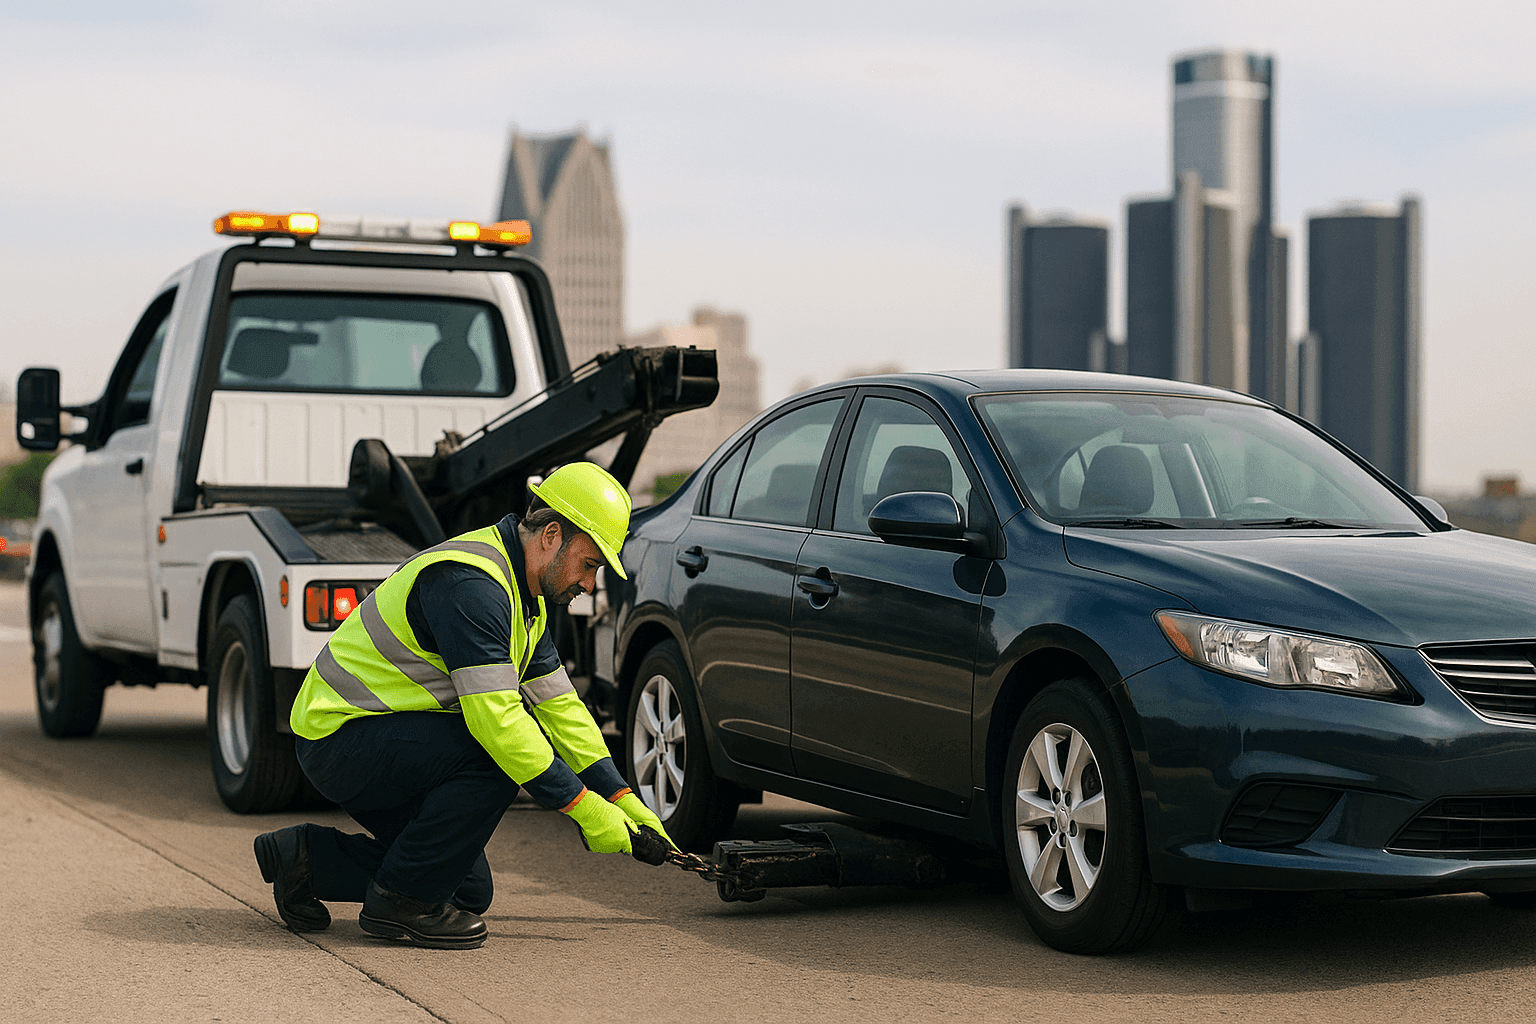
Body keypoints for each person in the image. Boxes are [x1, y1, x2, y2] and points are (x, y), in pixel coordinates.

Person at [253, 462, 672, 950]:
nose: (589, 585)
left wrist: (621, 798)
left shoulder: (524, 597)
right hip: (339, 736)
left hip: (380, 739)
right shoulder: (472, 586)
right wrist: (583, 808)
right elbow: (499, 725)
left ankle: (301, 859)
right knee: (495, 755)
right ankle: (398, 905)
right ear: (551, 535)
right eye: (590, 564)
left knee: (467, 888)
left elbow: (562, 709)